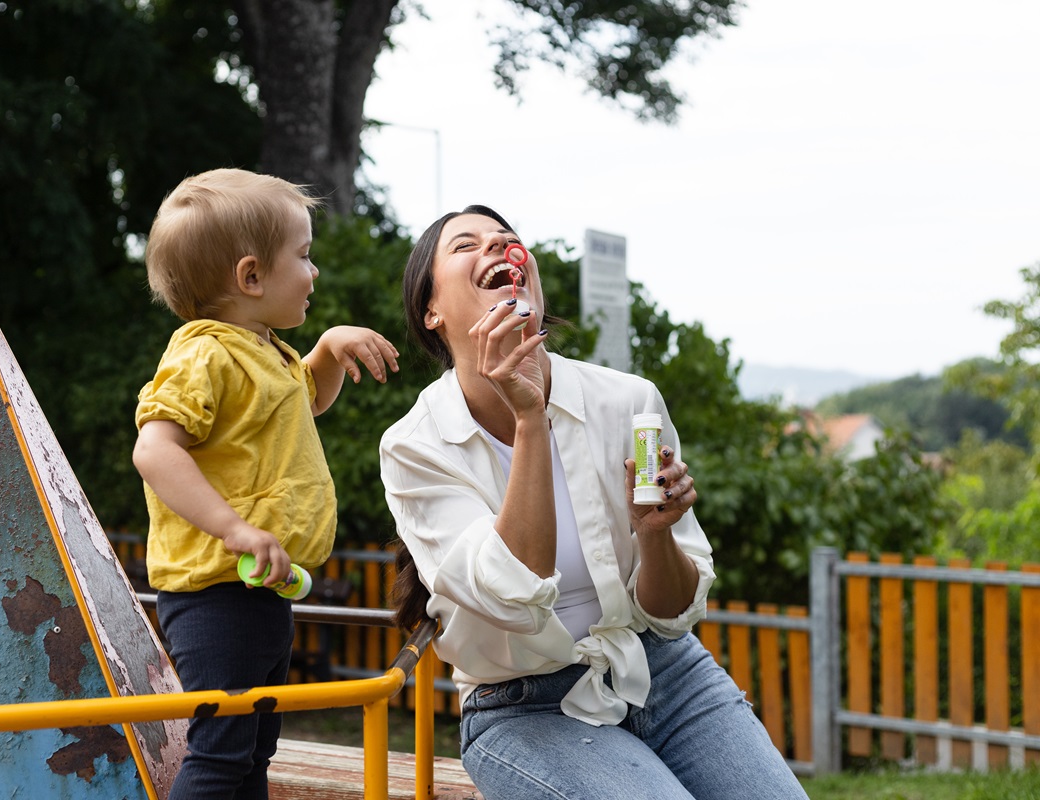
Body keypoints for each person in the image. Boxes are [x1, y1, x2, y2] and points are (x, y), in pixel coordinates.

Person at [380, 205, 807, 800]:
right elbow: (513, 591)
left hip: (664, 670)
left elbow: (671, 612)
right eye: (465, 245)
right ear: (432, 311)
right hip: (523, 707)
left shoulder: (629, 401)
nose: (498, 248)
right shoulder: (415, 445)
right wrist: (530, 416)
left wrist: (656, 534)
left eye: (507, 240)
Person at [132, 168, 399, 800]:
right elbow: (155, 449)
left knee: (254, 751)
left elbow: (309, 402)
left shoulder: (267, 351)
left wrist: (328, 351)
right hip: (215, 592)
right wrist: (234, 528)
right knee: (221, 752)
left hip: (259, 590)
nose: (314, 272)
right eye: (303, 256)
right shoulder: (205, 354)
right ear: (251, 276)